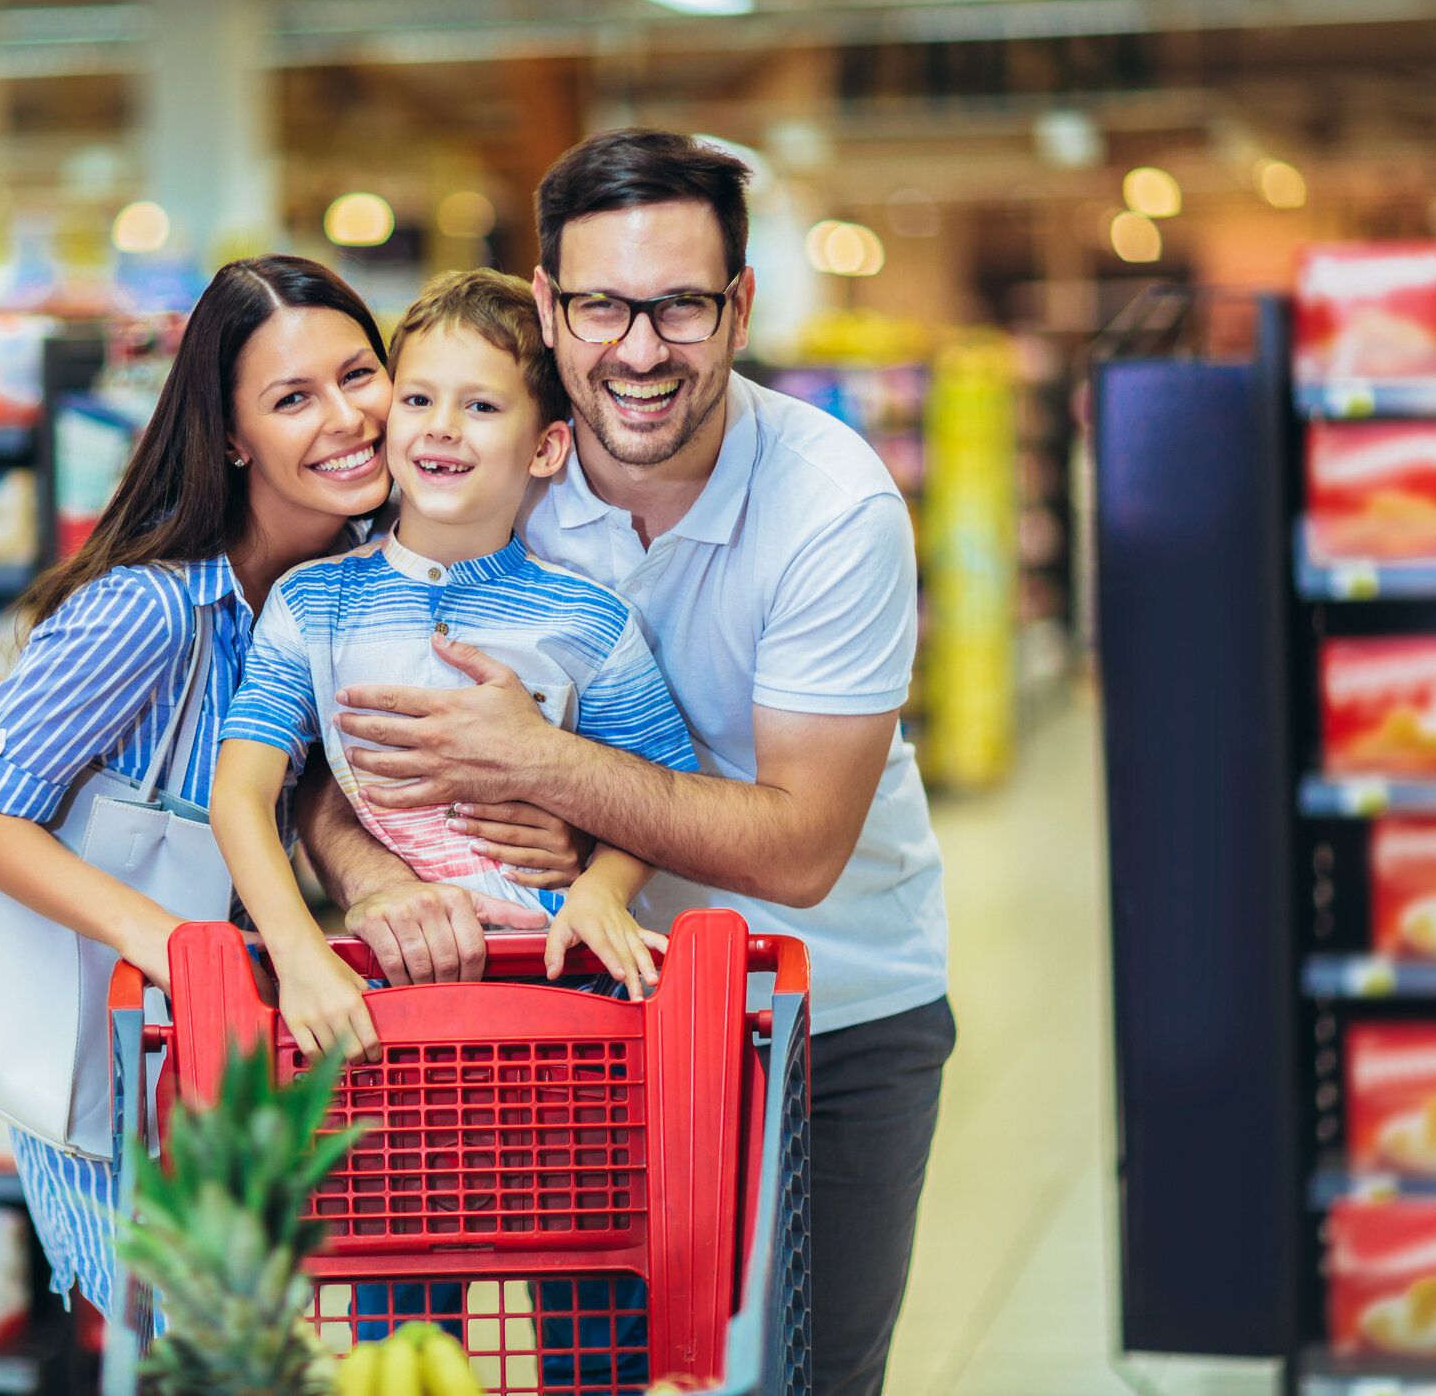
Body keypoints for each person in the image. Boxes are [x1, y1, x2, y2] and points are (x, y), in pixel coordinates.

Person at [299, 130, 954, 1396]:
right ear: (547, 307)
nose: (640, 349)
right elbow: (338, 752)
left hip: (830, 1018)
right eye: (601, 305)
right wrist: (371, 879)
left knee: (800, 1375)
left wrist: (545, 767)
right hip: (571, 1015)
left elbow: (803, 846)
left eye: (680, 307)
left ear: (740, 307)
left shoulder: (833, 509)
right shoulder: (481, 472)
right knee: (587, 1370)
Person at [0, 254, 591, 1356]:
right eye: (292, 399)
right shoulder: (148, 611)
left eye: (359, 374)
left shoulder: (363, 590)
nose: (347, 418)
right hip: (123, 1081)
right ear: (231, 437)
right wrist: (181, 943)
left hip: (257, 1074)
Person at [210, 268, 701, 1064]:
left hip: (569, 1007)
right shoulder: (310, 603)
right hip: (383, 1008)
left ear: (546, 447)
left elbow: (656, 792)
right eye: (417, 399)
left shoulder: (591, 619)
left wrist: (601, 892)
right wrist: (298, 954)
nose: (441, 427)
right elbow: (241, 793)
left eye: (479, 406)